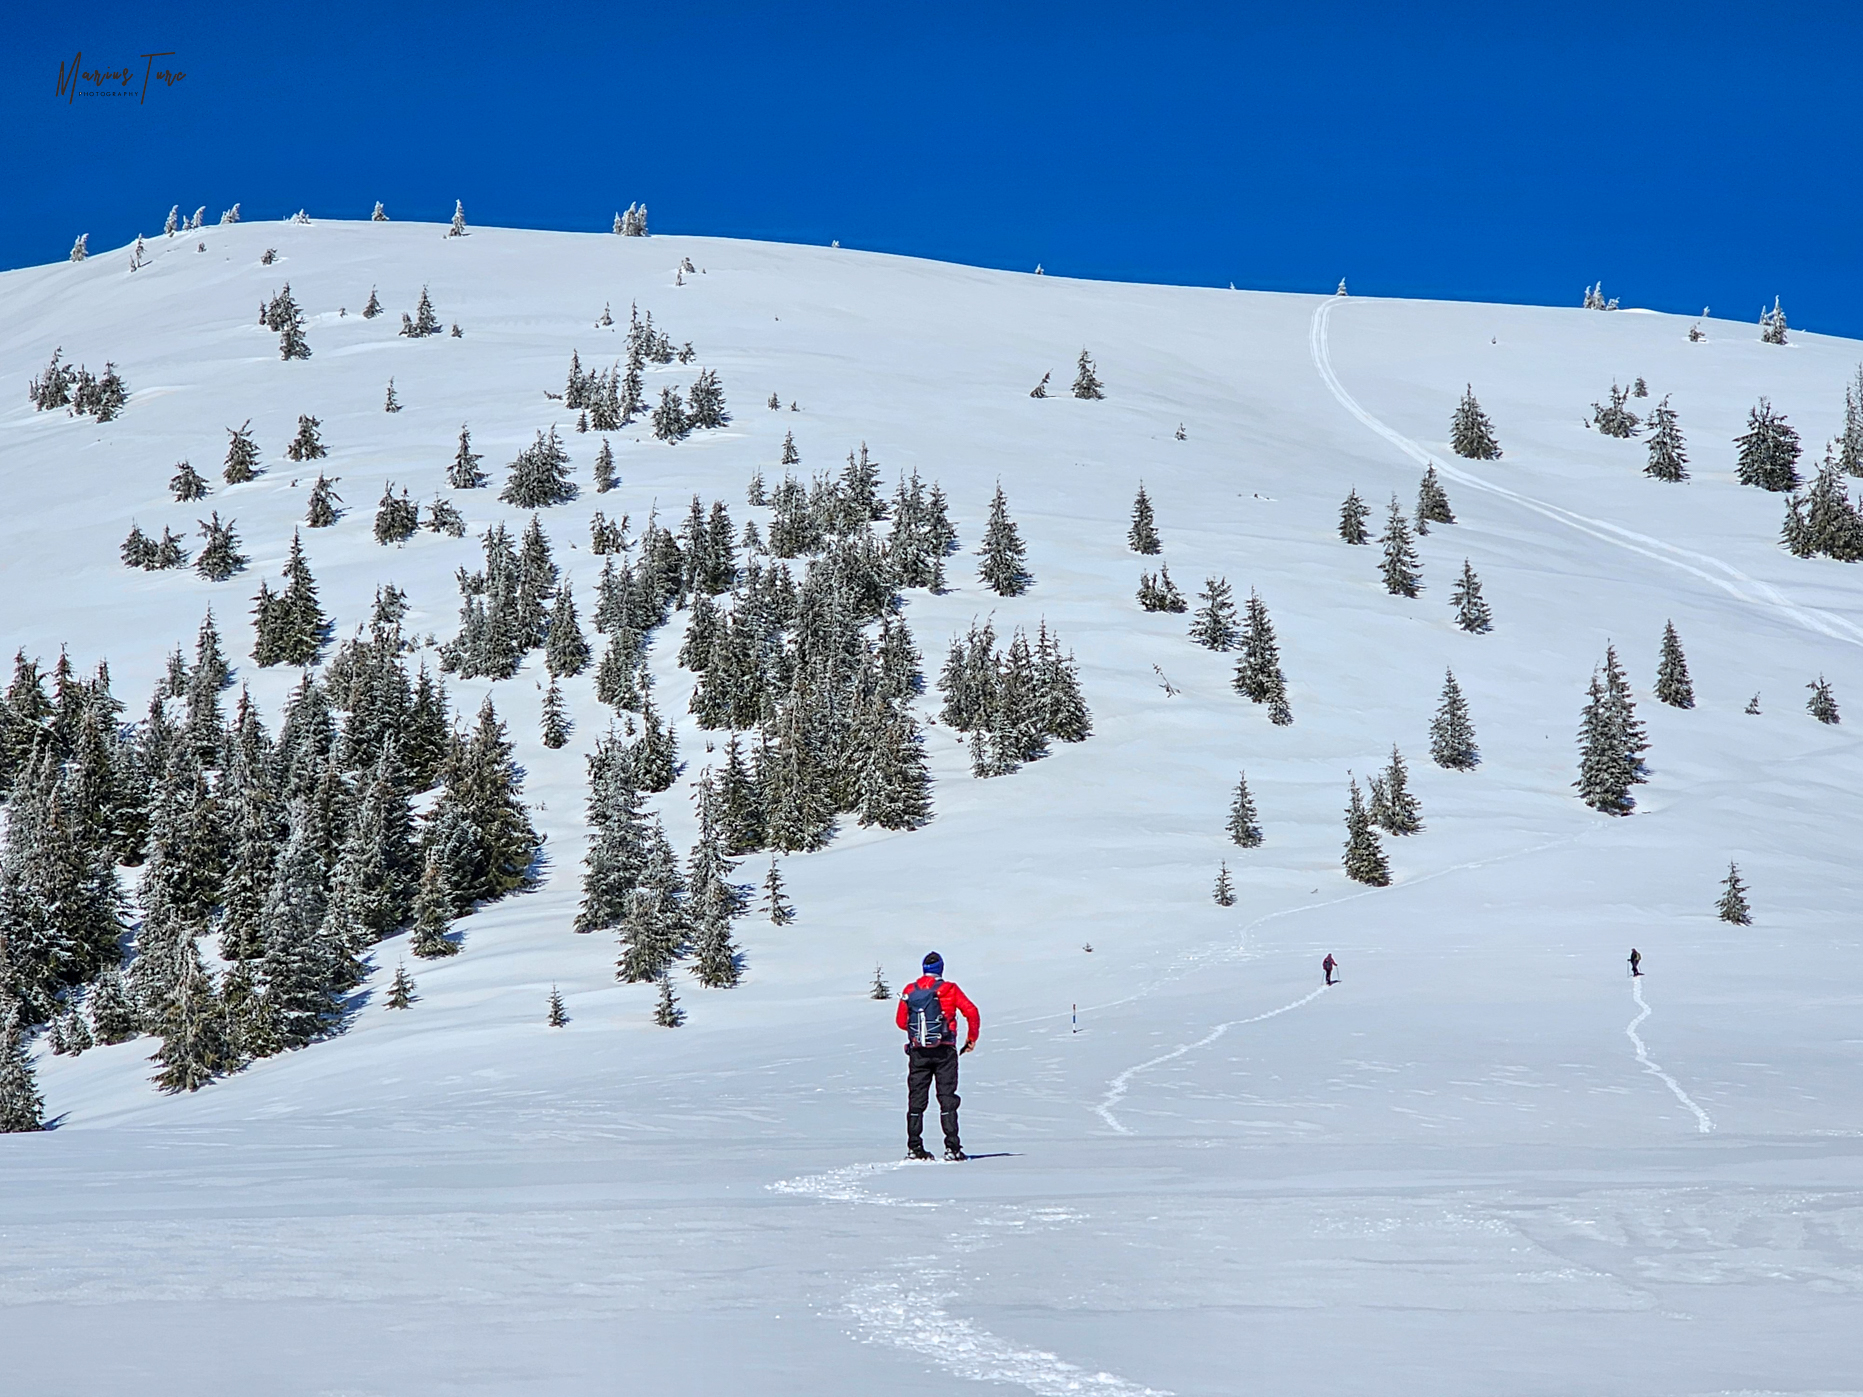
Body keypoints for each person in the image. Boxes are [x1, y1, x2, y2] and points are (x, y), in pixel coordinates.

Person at [896, 952, 979, 1161]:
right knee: (947, 1099)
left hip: (918, 1052)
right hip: (945, 1050)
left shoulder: (910, 990)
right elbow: (972, 1012)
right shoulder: (949, 989)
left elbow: (900, 1021)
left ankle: (914, 1147)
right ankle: (952, 1148)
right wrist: (971, 1039)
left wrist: (919, 1035)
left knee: (916, 1100)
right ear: (941, 968)